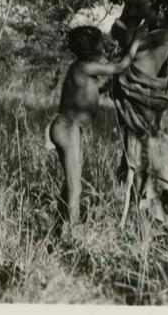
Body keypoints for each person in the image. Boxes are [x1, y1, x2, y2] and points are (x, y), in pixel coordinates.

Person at [46, 22, 147, 232]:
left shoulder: (82, 69)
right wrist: (136, 42)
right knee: (76, 186)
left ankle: (56, 228)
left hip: (66, 126)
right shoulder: (84, 67)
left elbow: (93, 89)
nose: (105, 48)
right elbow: (119, 67)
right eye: (101, 44)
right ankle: (74, 234)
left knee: (70, 183)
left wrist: (107, 87)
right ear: (91, 49)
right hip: (68, 126)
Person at [111, 0, 168, 236]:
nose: (148, 12)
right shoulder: (154, 36)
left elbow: (137, 73)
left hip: (150, 116)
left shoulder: (161, 38)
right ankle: (149, 227)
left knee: (149, 169)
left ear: (162, 13)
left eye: (153, 8)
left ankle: (151, 231)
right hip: (152, 116)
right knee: (147, 169)